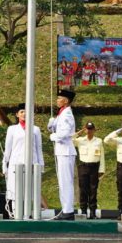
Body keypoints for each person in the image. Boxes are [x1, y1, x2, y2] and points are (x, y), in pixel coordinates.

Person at [1, 104, 44, 218]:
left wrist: (41, 165)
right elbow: (8, 148)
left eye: (27, 111)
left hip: (32, 163)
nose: (24, 114)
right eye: (21, 112)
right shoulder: (12, 129)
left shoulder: (35, 129)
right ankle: (16, 214)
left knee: (29, 190)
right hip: (16, 164)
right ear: (17, 114)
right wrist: (4, 164)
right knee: (16, 190)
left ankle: (27, 214)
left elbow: (39, 148)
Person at [47, 89, 77, 220]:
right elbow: (56, 128)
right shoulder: (61, 114)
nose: (57, 100)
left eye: (59, 98)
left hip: (66, 151)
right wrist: (51, 124)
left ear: (66, 101)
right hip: (62, 151)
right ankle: (66, 208)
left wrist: (53, 136)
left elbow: (63, 134)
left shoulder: (67, 114)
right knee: (62, 181)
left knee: (66, 181)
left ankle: (68, 210)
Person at [73, 121, 105, 219]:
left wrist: (101, 169)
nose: (89, 131)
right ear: (85, 129)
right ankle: (83, 211)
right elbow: (69, 139)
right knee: (83, 190)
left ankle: (92, 212)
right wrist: (79, 132)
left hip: (94, 167)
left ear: (94, 130)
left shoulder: (98, 141)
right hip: (83, 167)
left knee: (93, 190)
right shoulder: (80, 140)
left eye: (91, 129)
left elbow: (102, 156)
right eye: (87, 129)